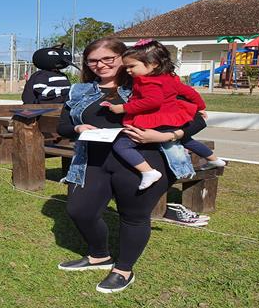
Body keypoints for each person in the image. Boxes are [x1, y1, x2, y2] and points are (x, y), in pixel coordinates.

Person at [56, 37, 206, 293]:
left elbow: (197, 119)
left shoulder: (151, 83)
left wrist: (166, 136)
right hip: (92, 160)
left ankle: (123, 269)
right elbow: (63, 127)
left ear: (123, 58)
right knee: (80, 210)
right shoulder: (80, 90)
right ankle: (99, 256)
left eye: (107, 59)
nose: (100, 65)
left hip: (144, 159)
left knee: (133, 216)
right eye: (93, 60)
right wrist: (78, 127)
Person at [101, 39, 225, 189]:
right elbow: (190, 92)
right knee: (187, 140)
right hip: (171, 120)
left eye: (132, 66)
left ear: (154, 64)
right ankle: (214, 159)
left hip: (155, 121)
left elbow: (153, 101)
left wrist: (123, 108)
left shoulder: (147, 82)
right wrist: (200, 107)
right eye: (126, 67)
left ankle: (148, 171)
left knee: (122, 145)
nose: (128, 70)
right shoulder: (170, 78)